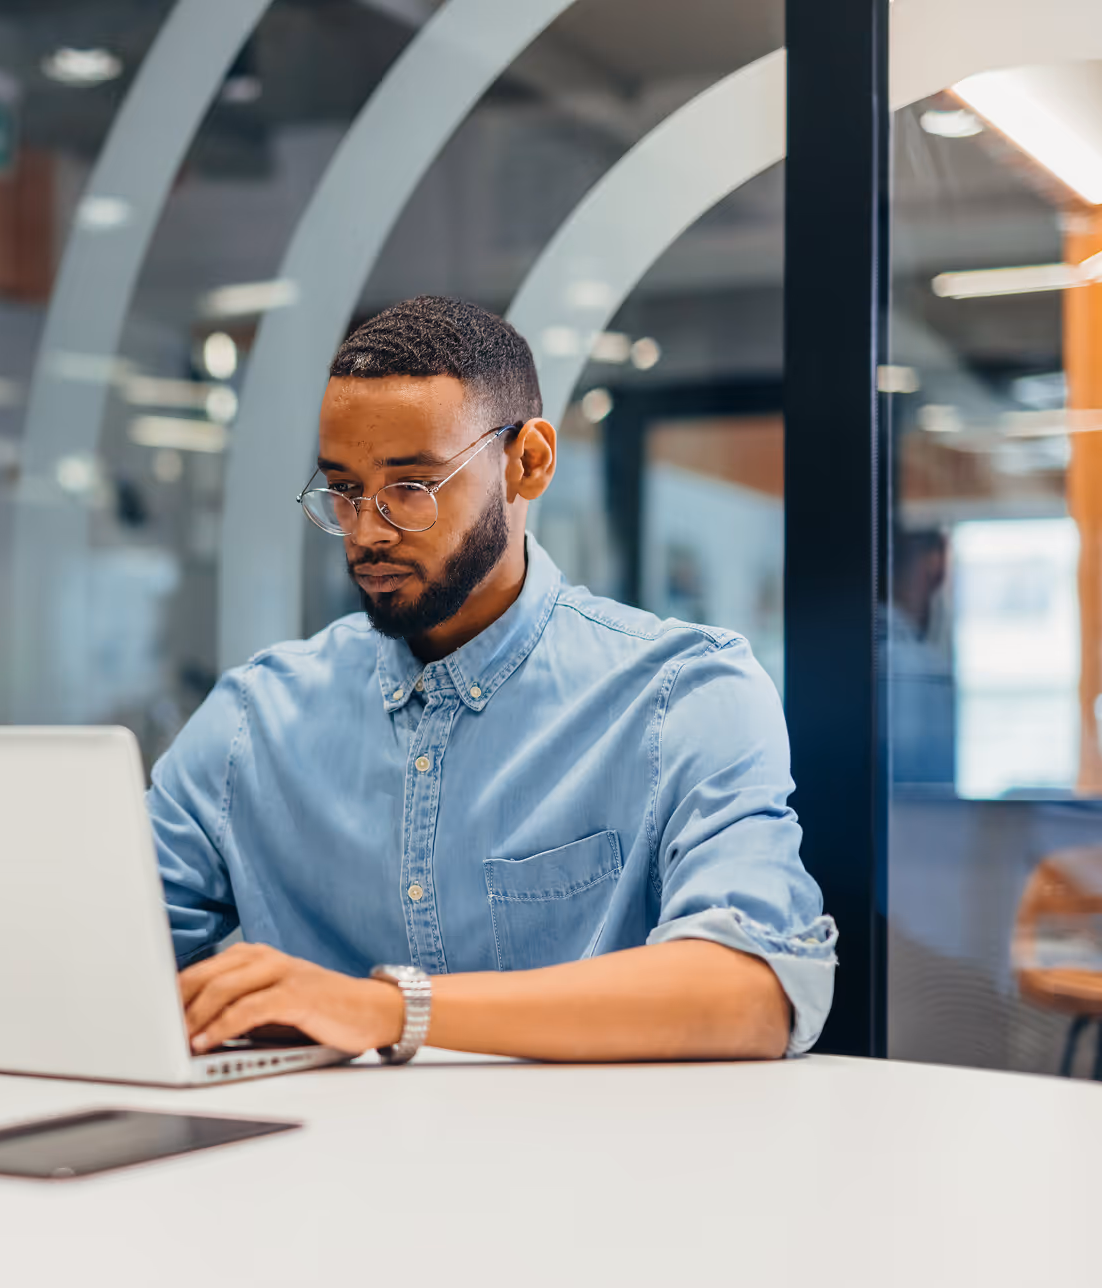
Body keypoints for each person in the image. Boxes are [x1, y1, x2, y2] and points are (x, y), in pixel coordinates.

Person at [153, 295, 836, 1063]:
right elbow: (101, 960)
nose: (369, 531)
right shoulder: (253, 720)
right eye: (344, 491)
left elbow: (752, 995)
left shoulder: (682, 693)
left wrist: (384, 1010)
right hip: (310, 1172)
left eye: (410, 488)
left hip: (593, 1172)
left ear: (528, 463)